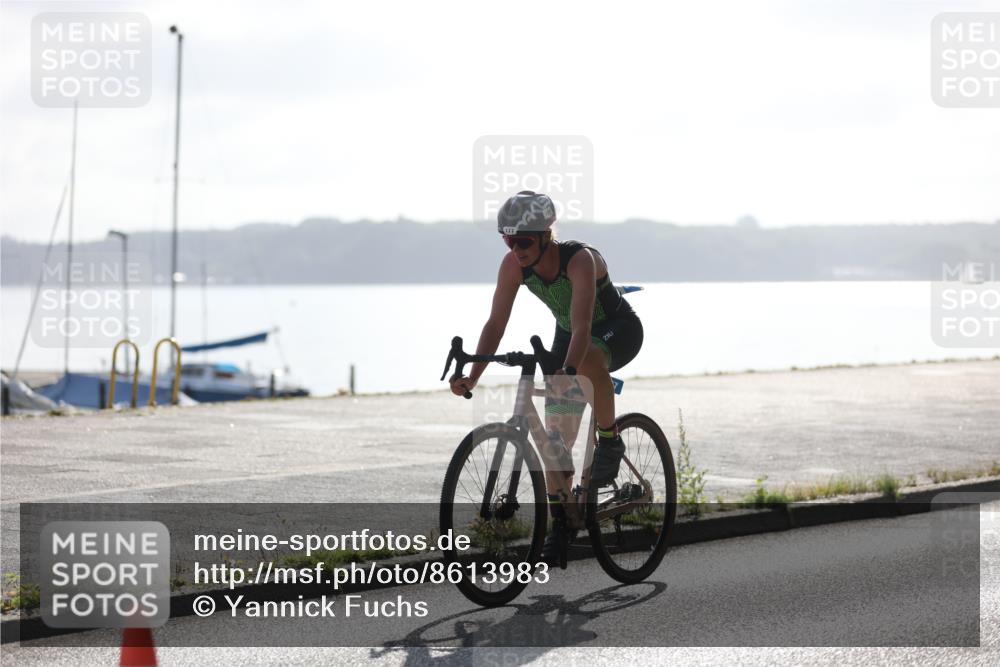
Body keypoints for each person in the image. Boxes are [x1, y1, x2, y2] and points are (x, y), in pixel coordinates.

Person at [449, 190, 644, 565]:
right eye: (508, 240)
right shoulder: (513, 266)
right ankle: (563, 523)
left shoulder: (580, 260)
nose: (515, 248)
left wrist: (567, 371)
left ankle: (610, 441)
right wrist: (472, 376)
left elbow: (584, 325)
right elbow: (496, 324)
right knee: (556, 443)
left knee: (584, 362)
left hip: (615, 329)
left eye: (522, 240)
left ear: (545, 235)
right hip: (569, 335)